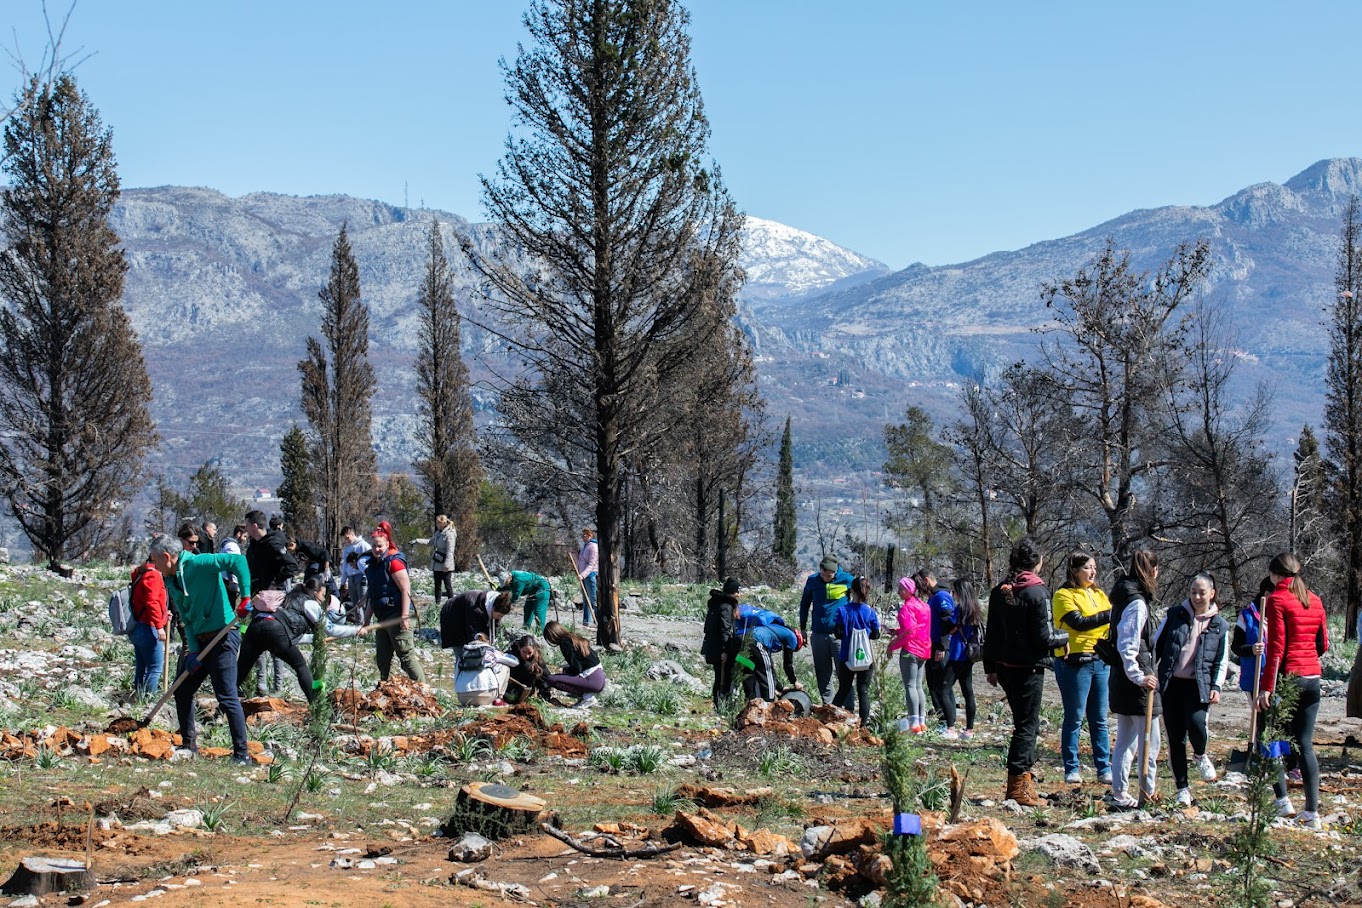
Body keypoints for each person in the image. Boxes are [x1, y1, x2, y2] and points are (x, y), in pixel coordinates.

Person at [149, 533, 252, 763]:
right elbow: (186, 617)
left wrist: (245, 596)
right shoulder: (172, 579)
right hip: (201, 641)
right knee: (182, 690)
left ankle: (242, 754)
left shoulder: (199, 563)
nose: (153, 565)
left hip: (224, 636)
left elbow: (238, 562)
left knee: (226, 696)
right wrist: (193, 651)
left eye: (155, 560)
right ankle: (189, 744)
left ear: (167, 557)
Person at [981, 536, 1069, 807]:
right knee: (1027, 726)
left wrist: (990, 667)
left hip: (1005, 667)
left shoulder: (1000, 590)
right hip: (1028, 669)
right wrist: (1063, 639)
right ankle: (1018, 785)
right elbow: (1043, 638)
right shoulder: (1037, 592)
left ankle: (1024, 779)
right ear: (1038, 562)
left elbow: (992, 633)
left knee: (1023, 724)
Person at [1258, 552, 1330, 830]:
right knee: (1305, 743)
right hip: (1313, 677)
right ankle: (1312, 812)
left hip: (1290, 677)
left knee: (1270, 737)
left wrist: (1266, 688)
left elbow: (1276, 648)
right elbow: (1323, 643)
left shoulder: (1277, 600)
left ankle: (1282, 801)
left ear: (1276, 575)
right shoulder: (1315, 599)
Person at [1154, 572, 1230, 807]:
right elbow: (1157, 643)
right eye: (1193, 592)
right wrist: (1149, 672)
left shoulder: (1220, 624)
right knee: (1175, 738)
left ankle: (1200, 754)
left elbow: (1221, 659)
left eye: (1202, 592)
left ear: (1212, 594)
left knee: (1197, 725)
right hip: (1171, 684)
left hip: (1199, 685)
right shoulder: (1175, 615)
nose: (1197, 597)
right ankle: (1182, 788)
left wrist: (1217, 686)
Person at [1051, 551, 1113, 785]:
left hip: (1100, 660)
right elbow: (1079, 623)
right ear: (1074, 570)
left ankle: (1103, 767)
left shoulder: (1099, 593)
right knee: (1075, 716)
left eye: (1094, 567)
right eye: (1087, 567)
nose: (1093, 571)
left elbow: (1107, 624)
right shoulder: (1063, 595)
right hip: (1075, 662)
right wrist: (1109, 615)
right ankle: (1071, 767)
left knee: (1099, 718)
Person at [1107, 549, 1162, 810]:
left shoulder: (1122, 597)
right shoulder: (1136, 602)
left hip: (1122, 677)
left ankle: (1120, 792)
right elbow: (1127, 643)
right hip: (1134, 681)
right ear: (1152, 571)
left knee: (1126, 740)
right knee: (1148, 741)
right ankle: (1145, 793)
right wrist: (1139, 677)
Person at [237, 576, 331, 704]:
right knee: (300, 665)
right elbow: (329, 629)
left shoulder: (288, 598)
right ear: (315, 593)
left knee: (240, 671)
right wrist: (356, 630)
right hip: (275, 631)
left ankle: (222, 708)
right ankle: (314, 706)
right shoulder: (307, 604)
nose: (323, 599)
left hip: (255, 626)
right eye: (323, 595)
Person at [244, 509, 297, 695]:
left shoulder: (273, 544)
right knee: (257, 640)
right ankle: (261, 685)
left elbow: (291, 566)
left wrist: (275, 583)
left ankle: (278, 686)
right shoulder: (252, 547)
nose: (246, 529)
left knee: (275, 641)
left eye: (248, 525)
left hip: (273, 600)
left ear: (255, 525)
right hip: (257, 598)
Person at [364, 525, 426, 682]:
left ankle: (424, 692)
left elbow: (405, 590)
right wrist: (366, 620)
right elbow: (373, 595)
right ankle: (386, 690)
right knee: (382, 660)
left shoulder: (395, 562)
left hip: (397, 616)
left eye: (380, 546)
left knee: (406, 657)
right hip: (383, 618)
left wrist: (404, 616)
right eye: (374, 546)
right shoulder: (373, 565)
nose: (376, 549)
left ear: (387, 544)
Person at [799, 555, 854, 704]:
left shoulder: (847, 580)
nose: (824, 578)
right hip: (818, 634)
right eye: (822, 574)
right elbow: (804, 604)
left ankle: (848, 707)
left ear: (835, 572)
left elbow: (858, 600)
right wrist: (803, 627)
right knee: (822, 673)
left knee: (844, 672)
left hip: (840, 636)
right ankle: (827, 705)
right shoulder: (813, 581)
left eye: (828, 575)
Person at [917, 568, 961, 737]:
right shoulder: (933, 598)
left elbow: (949, 623)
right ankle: (942, 719)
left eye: (920, 584)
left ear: (926, 580)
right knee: (934, 685)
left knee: (943, 685)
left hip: (940, 647)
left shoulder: (941, 597)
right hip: (931, 645)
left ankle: (948, 722)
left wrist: (943, 646)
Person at [832, 576, 881, 726]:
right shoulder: (870, 612)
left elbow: (837, 633)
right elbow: (875, 634)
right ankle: (863, 724)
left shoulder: (842, 611)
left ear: (851, 590)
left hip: (847, 656)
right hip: (866, 658)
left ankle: (831, 718)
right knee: (863, 691)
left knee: (844, 689)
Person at [887, 576, 931, 733]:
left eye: (901, 589)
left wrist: (892, 645)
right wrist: (896, 632)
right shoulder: (924, 606)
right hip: (924, 650)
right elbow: (915, 629)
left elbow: (910, 633)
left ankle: (913, 723)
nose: (898, 592)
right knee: (918, 686)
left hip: (911, 650)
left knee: (910, 686)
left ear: (909, 590)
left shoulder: (907, 608)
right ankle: (921, 721)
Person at [129, 555, 169, 699]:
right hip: (149, 626)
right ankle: (149, 700)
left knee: (142, 666)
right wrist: (159, 626)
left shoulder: (140, 573)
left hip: (137, 626)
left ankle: (138, 696)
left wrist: (164, 614)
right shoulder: (153, 575)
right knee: (155, 668)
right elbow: (152, 601)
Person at [543, 620, 605, 707]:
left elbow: (577, 668)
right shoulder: (573, 638)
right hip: (599, 677)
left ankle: (587, 697)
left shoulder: (565, 643)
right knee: (566, 673)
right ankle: (586, 696)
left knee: (551, 679)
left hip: (592, 680)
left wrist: (565, 671)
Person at [948, 578, 981, 740]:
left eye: (954, 591)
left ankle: (950, 726)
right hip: (969, 656)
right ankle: (969, 729)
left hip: (956, 654)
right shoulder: (974, 610)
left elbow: (951, 629)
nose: (952, 594)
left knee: (943, 687)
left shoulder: (959, 610)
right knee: (968, 692)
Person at [701, 578, 741, 709]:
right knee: (724, 677)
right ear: (732, 592)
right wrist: (725, 650)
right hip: (722, 649)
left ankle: (719, 703)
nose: (739, 595)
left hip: (713, 647)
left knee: (719, 676)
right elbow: (725, 629)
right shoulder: (726, 607)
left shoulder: (717, 604)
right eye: (737, 591)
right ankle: (722, 704)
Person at [742, 621, 804, 703]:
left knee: (750, 670)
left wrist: (779, 688)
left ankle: (750, 703)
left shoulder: (776, 631)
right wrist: (794, 682)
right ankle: (769, 705)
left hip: (742, 642)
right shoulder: (792, 637)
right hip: (756, 642)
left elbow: (765, 668)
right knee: (766, 675)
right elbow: (787, 664)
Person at [454, 635, 519, 706]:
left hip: (463, 698)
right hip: (485, 697)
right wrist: (502, 654)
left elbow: (456, 676)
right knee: (505, 666)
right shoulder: (490, 652)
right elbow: (515, 662)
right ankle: (498, 699)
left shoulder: (463, 655)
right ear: (487, 641)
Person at [440, 588, 514, 649]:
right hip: (452, 615)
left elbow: (494, 628)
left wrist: (490, 643)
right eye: (499, 615)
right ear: (493, 609)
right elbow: (472, 632)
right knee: (463, 650)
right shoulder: (475, 608)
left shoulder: (495, 604)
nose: (500, 618)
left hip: (467, 613)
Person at [498, 568, 553, 634]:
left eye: (506, 582)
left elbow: (515, 596)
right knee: (528, 608)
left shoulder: (519, 579)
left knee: (538, 611)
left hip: (543, 588)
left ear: (509, 577)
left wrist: (506, 603)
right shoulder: (512, 578)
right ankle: (526, 628)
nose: (506, 584)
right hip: (533, 590)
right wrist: (497, 590)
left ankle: (540, 632)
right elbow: (507, 587)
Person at [506, 635, 551, 704]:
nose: (527, 656)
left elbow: (545, 680)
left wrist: (544, 697)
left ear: (534, 650)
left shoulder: (538, 661)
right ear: (519, 648)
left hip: (528, 691)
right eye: (524, 652)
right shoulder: (510, 656)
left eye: (530, 653)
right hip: (511, 689)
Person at [431, 514, 457, 602]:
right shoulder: (438, 533)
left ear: (443, 523)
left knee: (447, 585)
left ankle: (452, 604)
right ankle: (437, 603)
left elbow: (450, 550)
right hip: (437, 563)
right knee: (437, 585)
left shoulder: (450, 534)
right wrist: (417, 541)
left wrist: (447, 565)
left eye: (438, 523)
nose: (436, 524)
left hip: (446, 564)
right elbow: (431, 542)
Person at [577, 527, 599, 626]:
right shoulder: (585, 546)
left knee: (593, 600)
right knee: (586, 600)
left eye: (584, 535)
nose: (583, 537)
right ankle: (586, 621)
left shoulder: (593, 547)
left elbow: (592, 563)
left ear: (590, 535)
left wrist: (583, 575)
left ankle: (598, 620)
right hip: (583, 577)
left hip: (590, 576)